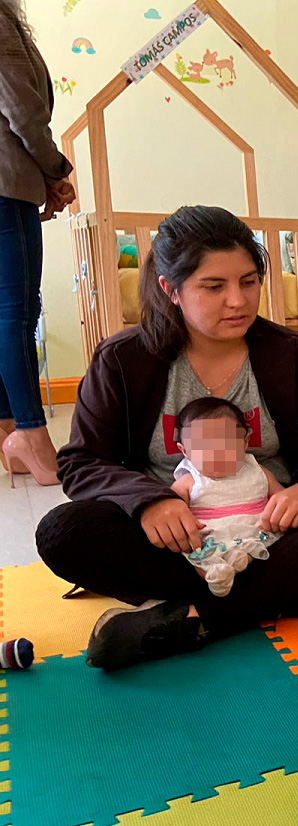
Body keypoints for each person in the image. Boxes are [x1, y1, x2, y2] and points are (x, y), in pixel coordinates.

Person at [35, 206, 298, 670]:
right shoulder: (122, 360)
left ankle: (192, 617)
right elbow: (81, 462)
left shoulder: (290, 353)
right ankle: (295, 594)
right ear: (171, 290)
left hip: (270, 531)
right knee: (62, 532)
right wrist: (150, 501)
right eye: (214, 286)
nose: (238, 301)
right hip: (176, 542)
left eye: (249, 281)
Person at [0, 0, 77, 486]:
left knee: (5, 312)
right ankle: (30, 433)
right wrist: (56, 170)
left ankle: (11, 430)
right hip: (7, 183)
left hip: (11, 182)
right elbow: (22, 108)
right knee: (16, 312)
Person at [171, 397, 282, 598]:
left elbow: (282, 498)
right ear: (185, 451)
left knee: (273, 551)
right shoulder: (189, 481)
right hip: (210, 538)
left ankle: (243, 562)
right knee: (196, 556)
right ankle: (213, 576)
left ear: (245, 442)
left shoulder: (258, 472)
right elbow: (171, 510)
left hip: (257, 534)